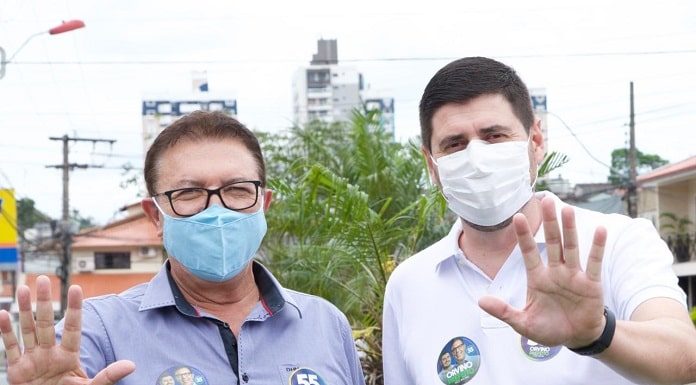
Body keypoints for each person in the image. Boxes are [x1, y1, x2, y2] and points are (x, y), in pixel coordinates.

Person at [382, 56, 696, 385]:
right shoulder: (408, 285)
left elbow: (686, 356)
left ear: (536, 142)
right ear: (431, 165)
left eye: (494, 136)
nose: (476, 159)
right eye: (454, 144)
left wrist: (598, 335)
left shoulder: (617, 242)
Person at [0, 111, 365, 385]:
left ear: (263, 203)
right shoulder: (100, 330)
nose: (217, 210)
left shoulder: (326, 325)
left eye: (238, 189)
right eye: (189, 193)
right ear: (155, 216)